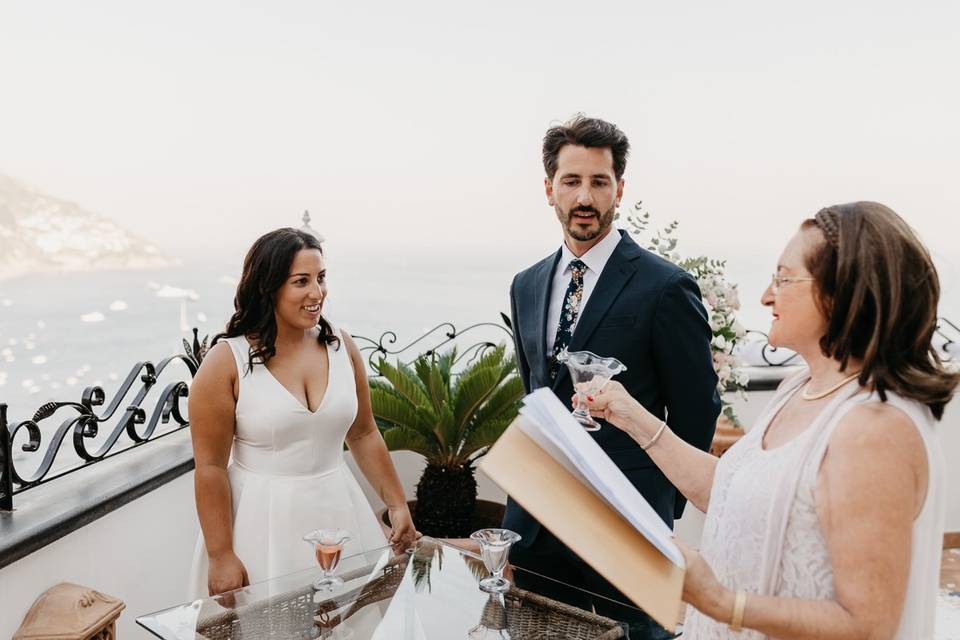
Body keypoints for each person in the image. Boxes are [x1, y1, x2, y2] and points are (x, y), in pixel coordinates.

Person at [585, 202, 955, 639]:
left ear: (841, 294)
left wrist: (721, 603)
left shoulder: (877, 428)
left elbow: (868, 625)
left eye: (783, 277)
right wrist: (630, 416)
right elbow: (731, 489)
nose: (765, 295)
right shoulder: (797, 387)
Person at [503, 114, 721, 637]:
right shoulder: (526, 284)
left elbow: (697, 409)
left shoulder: (665, 287)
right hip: (537, 521)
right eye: (572, 181)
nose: (585, 196)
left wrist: (656, 508)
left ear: (619, 189)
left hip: (629, 522)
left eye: (599, 182)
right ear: (549, 188)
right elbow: (536, 390)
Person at [187, 228, 416, 598]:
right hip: (261, 526)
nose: (317, 293)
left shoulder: (344, 347)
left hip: (340, 512)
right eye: (301, 282)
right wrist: (221, 554)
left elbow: (363, 433)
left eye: (321, 278)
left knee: (350, 621)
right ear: (268, 287)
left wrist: (396, 503)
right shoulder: (224, 363)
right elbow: (210, 468)